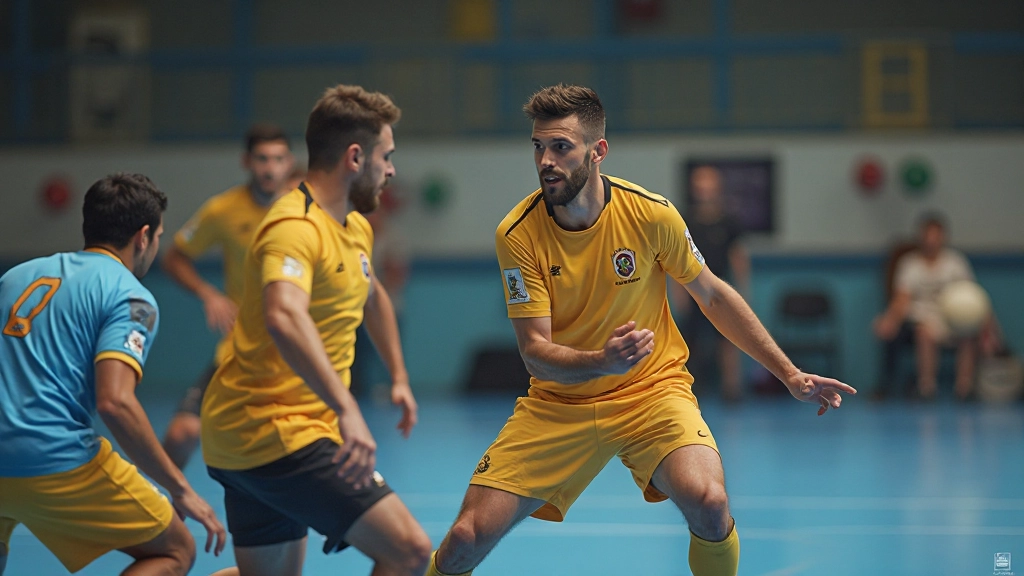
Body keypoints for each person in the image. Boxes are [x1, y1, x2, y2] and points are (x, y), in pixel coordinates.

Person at [425, 85, 855, 576]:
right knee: (463, 540)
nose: (546, 160)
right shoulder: (517, 234)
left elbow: (712, 294)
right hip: (559, 404)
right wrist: (599, 362)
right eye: (538, 147)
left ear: (598, 150)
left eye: (561, 146)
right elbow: (535, 352)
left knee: (710, 504)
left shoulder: (651, 215)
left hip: (651, 392)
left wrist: (789, 374)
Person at [200, 85, 431, 576]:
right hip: (273, 428)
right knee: (409, 551)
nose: (391, 170)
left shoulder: (354, 226)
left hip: (261, 435)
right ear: (355, 157)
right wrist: (346, 407)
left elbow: (373, 297)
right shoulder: (293, 227)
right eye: (386, 156)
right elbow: (285, 315)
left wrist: (398, 376)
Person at [0, 174, 225, 575]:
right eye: (158, 237)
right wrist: (180, 487)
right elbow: (116, 402)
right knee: (175, 550)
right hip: (54, 460)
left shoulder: (16, 277)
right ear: (143, 237)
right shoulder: (130, 295)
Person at [161, 124, 295, 470]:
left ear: (290, 162)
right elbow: (174, 257)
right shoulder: (222, 210)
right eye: (262, 159)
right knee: (180, 434)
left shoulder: (307, 211)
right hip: (240, 348)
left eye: (278, 159)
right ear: (246, 161)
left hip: (294, 354)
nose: (270, 168)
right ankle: (166, 512)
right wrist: (209, 293)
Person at [873, 213, 998, 401]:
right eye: (927, 235)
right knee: (925, 333)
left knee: (968, 335)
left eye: (936, 235)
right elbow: (902, 299)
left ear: (943, 237)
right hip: (922, 319)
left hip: (952, 319)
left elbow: (973, 297)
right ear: (921, 237)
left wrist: (990, 329)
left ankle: (964, 388)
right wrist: (890, 320)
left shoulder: (955, 262)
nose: (931, 240)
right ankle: (927, 388)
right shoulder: (909, 264)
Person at [671, 164, 750, 402]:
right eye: (699, 185)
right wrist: (679, 293)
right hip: (691, 288)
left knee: (727, 341)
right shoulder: (684, 221)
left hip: (721, 289)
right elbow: (675, 258)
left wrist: (743, 290)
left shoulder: (729, 222)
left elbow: (738, 257)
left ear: (717, 188)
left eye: (709, 185)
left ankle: (731, 390)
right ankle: (688, 389)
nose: (704, 189)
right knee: (690, 342)